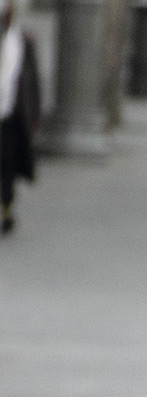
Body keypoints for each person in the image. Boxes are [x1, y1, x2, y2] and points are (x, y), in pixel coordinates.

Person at [0, 0, 42, 236]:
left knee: (8, 167)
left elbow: (33, 82)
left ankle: (6, 209)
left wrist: (35, 115)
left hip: (13, 116)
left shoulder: (23, 42)